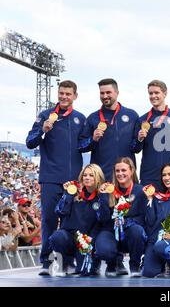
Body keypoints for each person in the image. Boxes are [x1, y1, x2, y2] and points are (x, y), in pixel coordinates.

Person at [26, 80, 85, 275]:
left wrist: (94, 139)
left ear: (75, 96)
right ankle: (47, 262)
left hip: (73, 182)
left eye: (68, 94)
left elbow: (85, 145)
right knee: (50, 220)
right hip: (51, 178)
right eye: (61, 93)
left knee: (72, 223)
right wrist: (43, 130)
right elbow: (30, 142)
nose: (64, 97)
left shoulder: (80, 119)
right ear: (57, 94)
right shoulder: (45, 116)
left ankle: (69, 262)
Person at [49, 164, 110, 276]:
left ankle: (94, 264)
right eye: (85, 175)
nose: (87, 177)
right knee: (57, 237)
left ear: (98, 178)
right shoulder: (74, 193)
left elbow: (104, 218)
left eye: (91, 175)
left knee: (85, 272)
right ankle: (65, 263)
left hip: (90, 238)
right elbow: (59, 211)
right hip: (71, 236)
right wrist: (67, 194)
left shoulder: (102, 196)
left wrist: (103, 197)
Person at [94, 157, 147, 278]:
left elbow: (143, 217)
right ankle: (112, 263)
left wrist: (127, 222)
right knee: (103, 249)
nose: (120, 173)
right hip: (110, 230)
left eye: (123, 170)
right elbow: (102, 219)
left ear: (131, 171)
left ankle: (134, 266)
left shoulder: (139, 191)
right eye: (117, 171)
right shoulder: (108, 189)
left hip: (129, 233)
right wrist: (102, 196)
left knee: (137, 231)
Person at [79, 78, 141, 181]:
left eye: (108, 92)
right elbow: (81, 146)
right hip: (101, 177)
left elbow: (136, 149)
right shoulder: (93, 118)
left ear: (117, 93)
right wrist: (93, 139)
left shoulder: (132, 115)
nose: (104, 96)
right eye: (102, 93)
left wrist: (140, 139)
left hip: (126, 177)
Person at [133, 80, 170, 189]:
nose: (153, 96)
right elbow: (135, 149)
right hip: (150, 176)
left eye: (156, 93)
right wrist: (139, 139)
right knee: (149, 206)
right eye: (150, 93)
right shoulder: (143, 120)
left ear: (165, 93)